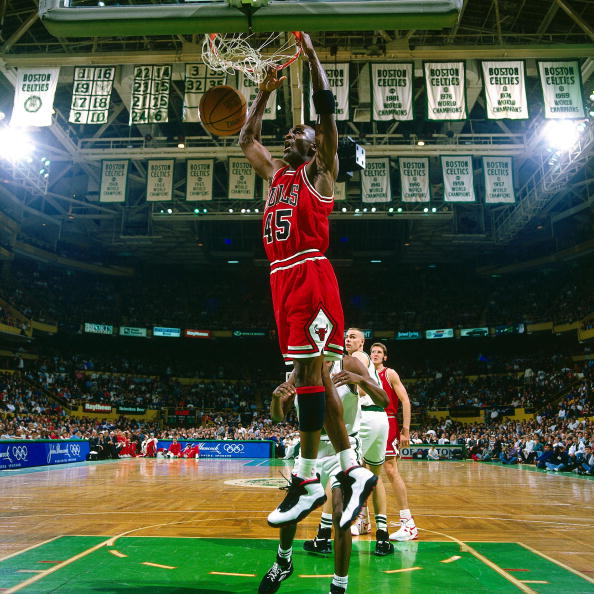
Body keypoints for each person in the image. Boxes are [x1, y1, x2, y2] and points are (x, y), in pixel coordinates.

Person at [239, 32, 376, 530]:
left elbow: (327, 114)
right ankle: (348, 471)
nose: (288, 136)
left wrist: (314, 56)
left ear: (315, 145)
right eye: (288, 132)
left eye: (298, 132)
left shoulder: (321, 173)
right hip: (281, 278)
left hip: (309, 272)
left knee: (310, 377)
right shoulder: (276, 175)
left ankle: (308, 479)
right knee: (310, 377)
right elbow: (246, 140)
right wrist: (263, 93)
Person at [259, 354, 387, 594]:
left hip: (344, 446)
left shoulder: (348, 364)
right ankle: (283, 562)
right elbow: (278, 416)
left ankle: (339, 585)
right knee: (292, 506)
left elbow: (384, 400)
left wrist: (360, 380)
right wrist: (276, 399)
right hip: (311, 449)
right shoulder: (300, 369)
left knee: (341, 514)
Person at [342, 329, 393, 555]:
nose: (348, 339)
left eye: (353, 337)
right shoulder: (365, 361)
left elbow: (361, 391)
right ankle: (382, 534)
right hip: (380, 418)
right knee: (374, 477)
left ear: (362, 342)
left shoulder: (358, 357)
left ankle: (325, 532)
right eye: (347, 336)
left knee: (342, 473)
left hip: (365, 418)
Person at [369, 342, 418, 542]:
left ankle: (408, 523)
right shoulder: (365, 373)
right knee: (364, 471)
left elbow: (405, 401)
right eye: (373, 351)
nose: (375, 354)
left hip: (387, 421)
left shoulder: (389, 373)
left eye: (379, 352)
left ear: (385, 357)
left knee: (390, 469)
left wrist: (405, 429)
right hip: (368, 422)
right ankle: (363, 520)